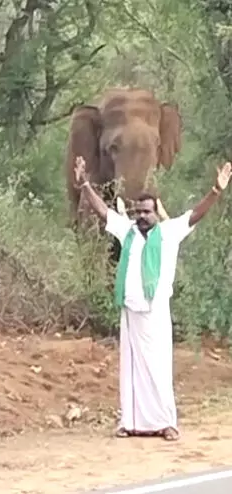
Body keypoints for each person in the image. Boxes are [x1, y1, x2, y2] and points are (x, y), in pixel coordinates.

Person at [74, 156, 231, 441]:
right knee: (131, 368)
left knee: (159, 366)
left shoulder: (169, 233)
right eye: (137, 212)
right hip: (131, 311)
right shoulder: (128, 232)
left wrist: (216, 190)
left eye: (146, 211)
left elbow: (195, 214)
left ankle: (165, 423)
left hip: (156, 311)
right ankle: (130, 422)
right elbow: (103, 212)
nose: (141, 216)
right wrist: (84, 184)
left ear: (157, 211)